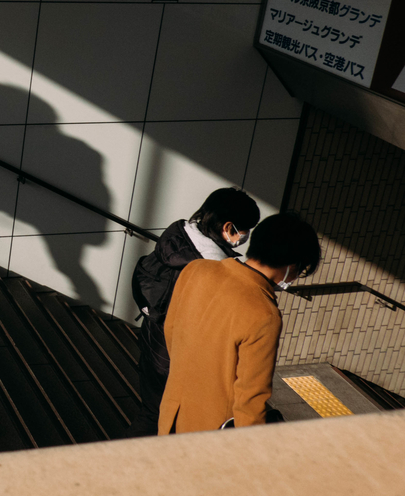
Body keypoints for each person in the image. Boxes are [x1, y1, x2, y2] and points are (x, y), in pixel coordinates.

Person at [158, 212, 321, 434]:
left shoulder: (197, 269)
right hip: (214, 428)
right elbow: (251, 396)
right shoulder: (264, 315)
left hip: (172, 411)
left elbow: (171, 331)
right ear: (292, 265)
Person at [126, 187, 260, 436]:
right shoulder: (211, 268)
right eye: (245, 229)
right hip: (172, 357)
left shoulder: (178, 237)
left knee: (151, 412)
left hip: (151, 339)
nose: (245, 236)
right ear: (228, 227)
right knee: (162, 421)